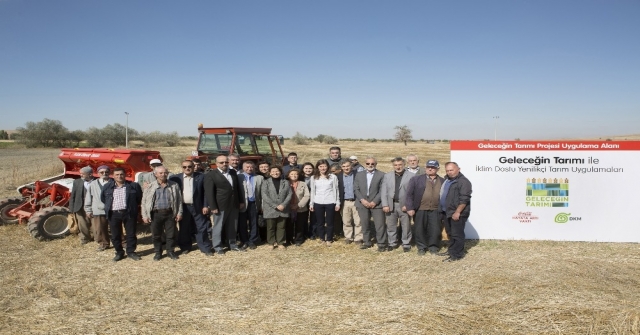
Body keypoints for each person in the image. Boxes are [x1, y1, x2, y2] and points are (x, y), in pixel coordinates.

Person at [169, 160, 213, 256]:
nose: (187, 168)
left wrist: (206, 205)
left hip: (198, 207)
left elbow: (206, 193)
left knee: (202, 227)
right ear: (182, 168)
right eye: (184, 167)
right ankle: (185, 247)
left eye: (189, 166)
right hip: (183, 207)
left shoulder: (201, 177)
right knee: (184, 228)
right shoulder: (175, 178)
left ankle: (205, 247)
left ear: (193, 167)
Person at [204, 155, 246, 254]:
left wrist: (240, 201)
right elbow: (209, 192)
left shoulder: (232, 173)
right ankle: (217, 247)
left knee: (232, 226)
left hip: (234, 204)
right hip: (220, 205)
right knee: (218, 227)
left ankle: (232, 244)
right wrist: (213, 206)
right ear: (217, 164)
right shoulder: (211, 174)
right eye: (221, 162)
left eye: (226, 162)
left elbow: (237, 188)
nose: (224, 164)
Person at [101, 167, 143, 262]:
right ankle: (119, 252)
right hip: (113, 214)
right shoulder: (107, 187)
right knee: (115, 235)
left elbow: (138, 198)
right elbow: (103, 199)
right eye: (117, 175)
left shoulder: (133, 186)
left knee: (131, 234)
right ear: (113, 176)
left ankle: (131, 252)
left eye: (121, 174)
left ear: (125, 175)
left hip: (129, 213)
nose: (119, 176)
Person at [142, 166, 183, 260]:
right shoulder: (150, 186)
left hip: (170, 213)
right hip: (155, 214)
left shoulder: (174, 185)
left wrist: (179, 213)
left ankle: (170, 251)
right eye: (160, 173)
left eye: (165, 173)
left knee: (171, 234)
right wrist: (144, 215)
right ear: (155, 174)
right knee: (156, 235)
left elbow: (179, 201)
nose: (163, 175)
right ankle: (158, 252)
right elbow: (144, 202)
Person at [406, 160, 445, 255]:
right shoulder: (416, 179)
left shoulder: (443, 181)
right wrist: (410, 207)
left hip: (436, 209)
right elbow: (409, 194)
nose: (430, 169)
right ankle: (421, 247)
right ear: (425, 168)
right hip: (420, 208)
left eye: (433, 167)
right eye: (428, 167)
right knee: (420, 229)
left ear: (438, 169)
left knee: (435, 229)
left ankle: (433, 247)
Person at [439, 162, 472, 262]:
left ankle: (457, 255)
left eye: (451, 170)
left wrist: (457, 212)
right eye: (447, 170)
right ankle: (451, 250)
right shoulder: (447, 180)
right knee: (450, 233)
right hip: (447, 212)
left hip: (457, 213)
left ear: (458, 169)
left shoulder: (464, 182)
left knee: (457, 234)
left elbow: (464, 199)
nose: (449, 172)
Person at [381, 157, 414, 252]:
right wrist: (385, 204)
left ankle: (406, 243)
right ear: (393, 166)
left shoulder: (411, 176)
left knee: (406, 225)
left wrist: (408, 205)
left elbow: (412, 193)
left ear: (404, 165)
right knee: (391, 225)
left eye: (400, 165)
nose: (398, 167)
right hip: (391, 204)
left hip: (404, 205)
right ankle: (392, 243)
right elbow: (384, 191)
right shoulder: (387, 176)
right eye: (395, 165)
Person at [354, 156, 386, 252]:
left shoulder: (382, 175)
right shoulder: (359, 174)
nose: (370, 165)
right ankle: (367, 242)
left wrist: (374, 202)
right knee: (365, 224)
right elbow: (356, 189)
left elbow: (382, 190)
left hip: (377, 204)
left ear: (376, 164)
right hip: (362, 204)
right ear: (365, 164)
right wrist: (362, 200)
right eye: (368, 163)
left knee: (379, 225)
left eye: (372, 163)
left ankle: (381, 244)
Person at [309, 159, 340, 246]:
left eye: (324, 166)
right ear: (318, 167)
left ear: (328, 167)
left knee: (330, 222)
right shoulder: (313, 177)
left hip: (330, 201)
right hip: (318, 202)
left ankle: (329, 239)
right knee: (320, 222)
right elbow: (312, 191)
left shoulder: (333, 177)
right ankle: (322, 238)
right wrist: (311, 203)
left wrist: (337, 202)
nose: (323, 168)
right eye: (321, 166)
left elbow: (336, 190)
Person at [261, 166, 292, 249]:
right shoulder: (266, 182)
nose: (275, 173)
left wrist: (283, 205)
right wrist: (275, 205)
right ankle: (271, 243)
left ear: (280, 172)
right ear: (270, 173)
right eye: (273, 171)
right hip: (270, 208)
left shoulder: (285, 182)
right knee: (270, 227)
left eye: (277, 171)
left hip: (283, 208)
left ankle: (280, 242)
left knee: (281, 227)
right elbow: (264, 195)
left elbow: (289, 194)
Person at [84, 165, 112, 251]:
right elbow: (88, 198)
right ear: (98, 173)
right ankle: (103, 244)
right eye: (102, 172)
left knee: (116, 228)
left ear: (109, 173)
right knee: (100, 229)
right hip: (98, 210)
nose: (104, 174)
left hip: (112, 209)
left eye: (106, 172)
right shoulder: (93, 184)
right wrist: (88, 210)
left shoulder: (114, 182)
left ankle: (122, 242)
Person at [237, 161, 264, 249]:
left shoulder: (259, 178)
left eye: (251, 167)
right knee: (242, 223)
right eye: (247, 167)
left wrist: (262, 206)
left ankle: (252, 240)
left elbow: (262, 193)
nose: (249, 169)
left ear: (254, 168)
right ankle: (244, 241)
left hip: (254, 203)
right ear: (243, 168)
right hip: (242, 204)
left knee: (254, 223)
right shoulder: (238, 177)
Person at [337, 160, 361, 245]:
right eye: (344, 166)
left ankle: (358, 238)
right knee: (346, 221)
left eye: (347, 166)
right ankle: (348, 237)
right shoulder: (338, 177)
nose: (346, 168)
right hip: (345, 201)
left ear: (351, 166)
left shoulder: (358, 175)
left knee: (358, 221)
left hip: (356, 201)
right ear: (341, 167)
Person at [69, 166, 94, 245]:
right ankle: (85, 238)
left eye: (83, 174)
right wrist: (71, 208)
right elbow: (73, 195)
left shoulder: (96, 182)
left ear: (90, 174)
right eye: (80, 174)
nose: (81, 175)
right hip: (79, 206)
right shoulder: (77, 182)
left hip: (93, 206)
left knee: (94, 223)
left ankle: (97, 237)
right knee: (82, 223)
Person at [286, 169, 309, 246]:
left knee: (300, 225)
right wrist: (289, 205)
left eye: (296, 174)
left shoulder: (303, 184)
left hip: (300, 208)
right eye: (292, 174)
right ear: (288, 175)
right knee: (289, 225)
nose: (294, 176)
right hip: (288, 208)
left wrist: (298, 205)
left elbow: (307, 195)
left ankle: (298, 239)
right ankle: (289, 239)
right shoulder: (285, 183)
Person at [301, 162, 316, 239]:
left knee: (313, 218)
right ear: (303, 169)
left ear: (313, 169)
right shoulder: (300, 177)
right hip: (303, 200)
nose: (308, 170)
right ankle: (304, 233)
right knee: (303, 217)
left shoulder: (316, 177)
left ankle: (312, 233)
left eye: (310, 168)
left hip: (314, 199)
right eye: (306, 168)